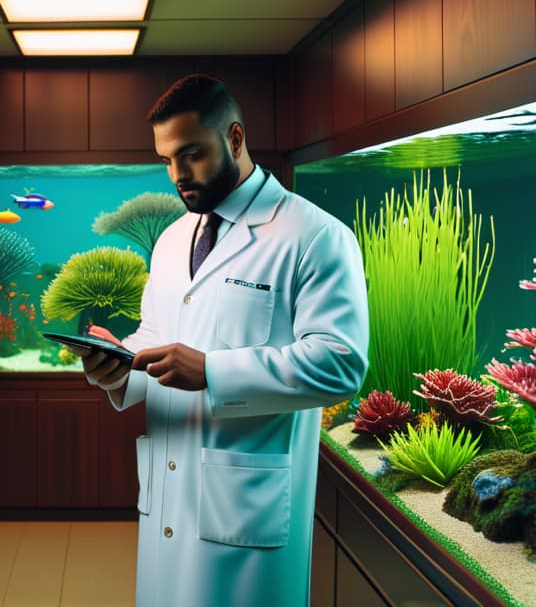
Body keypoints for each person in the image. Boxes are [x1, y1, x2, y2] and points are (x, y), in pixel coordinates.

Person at [71, 74, 369, 606]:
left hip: (245, 511)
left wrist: (212, 372)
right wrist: (120, 366)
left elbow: (340, 363)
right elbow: (160, 335)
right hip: (167, 494)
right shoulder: (170, 239)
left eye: (191, 154)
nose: (177, 175)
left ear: (234, 139)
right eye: (166, 160)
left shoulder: (316, 236)